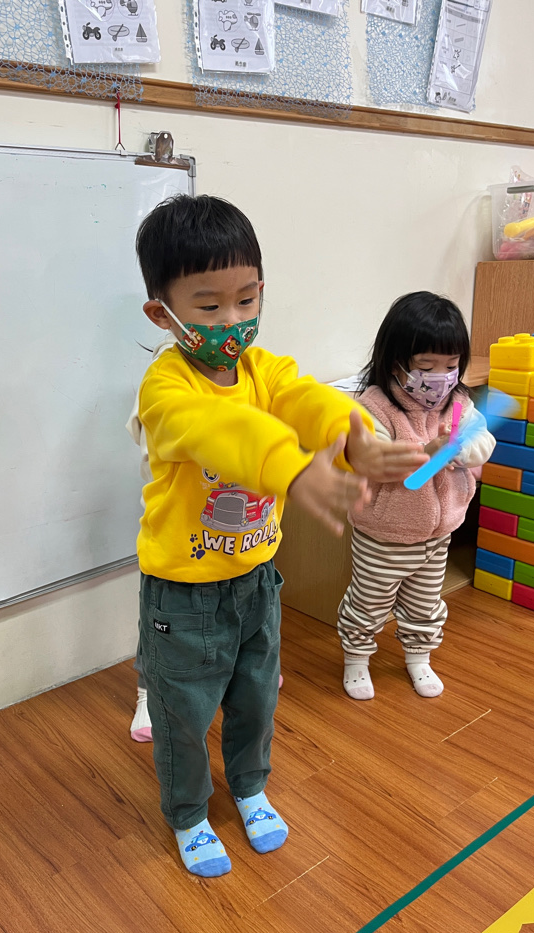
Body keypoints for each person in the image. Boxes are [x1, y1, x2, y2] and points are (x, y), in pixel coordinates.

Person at [133, 195, 425, 877]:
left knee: (256, 699)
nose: (232, 320)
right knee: (182, 713)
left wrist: (356, 434)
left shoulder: (264, 370)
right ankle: (188, 813)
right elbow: (223, 431)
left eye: (246, 298)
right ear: (162, 314)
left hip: (257, 582)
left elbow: (305, 399)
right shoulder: (165, 390)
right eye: (208, 306)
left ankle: (249, 785)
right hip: (184, 593)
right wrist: (291, 468)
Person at [337, 291, 496, 702]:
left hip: (437, 534)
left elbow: (483, 441)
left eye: (451, 365)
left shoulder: (458, 403)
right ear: (397, 363)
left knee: (425, 604)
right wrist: (426, 452)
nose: (440, 377)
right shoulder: (375, 407)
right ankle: (356, 658)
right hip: (384, 534)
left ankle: (419, 656)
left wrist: (463, 449)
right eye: (426, 367)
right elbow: (372, 459)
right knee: (369, 603)